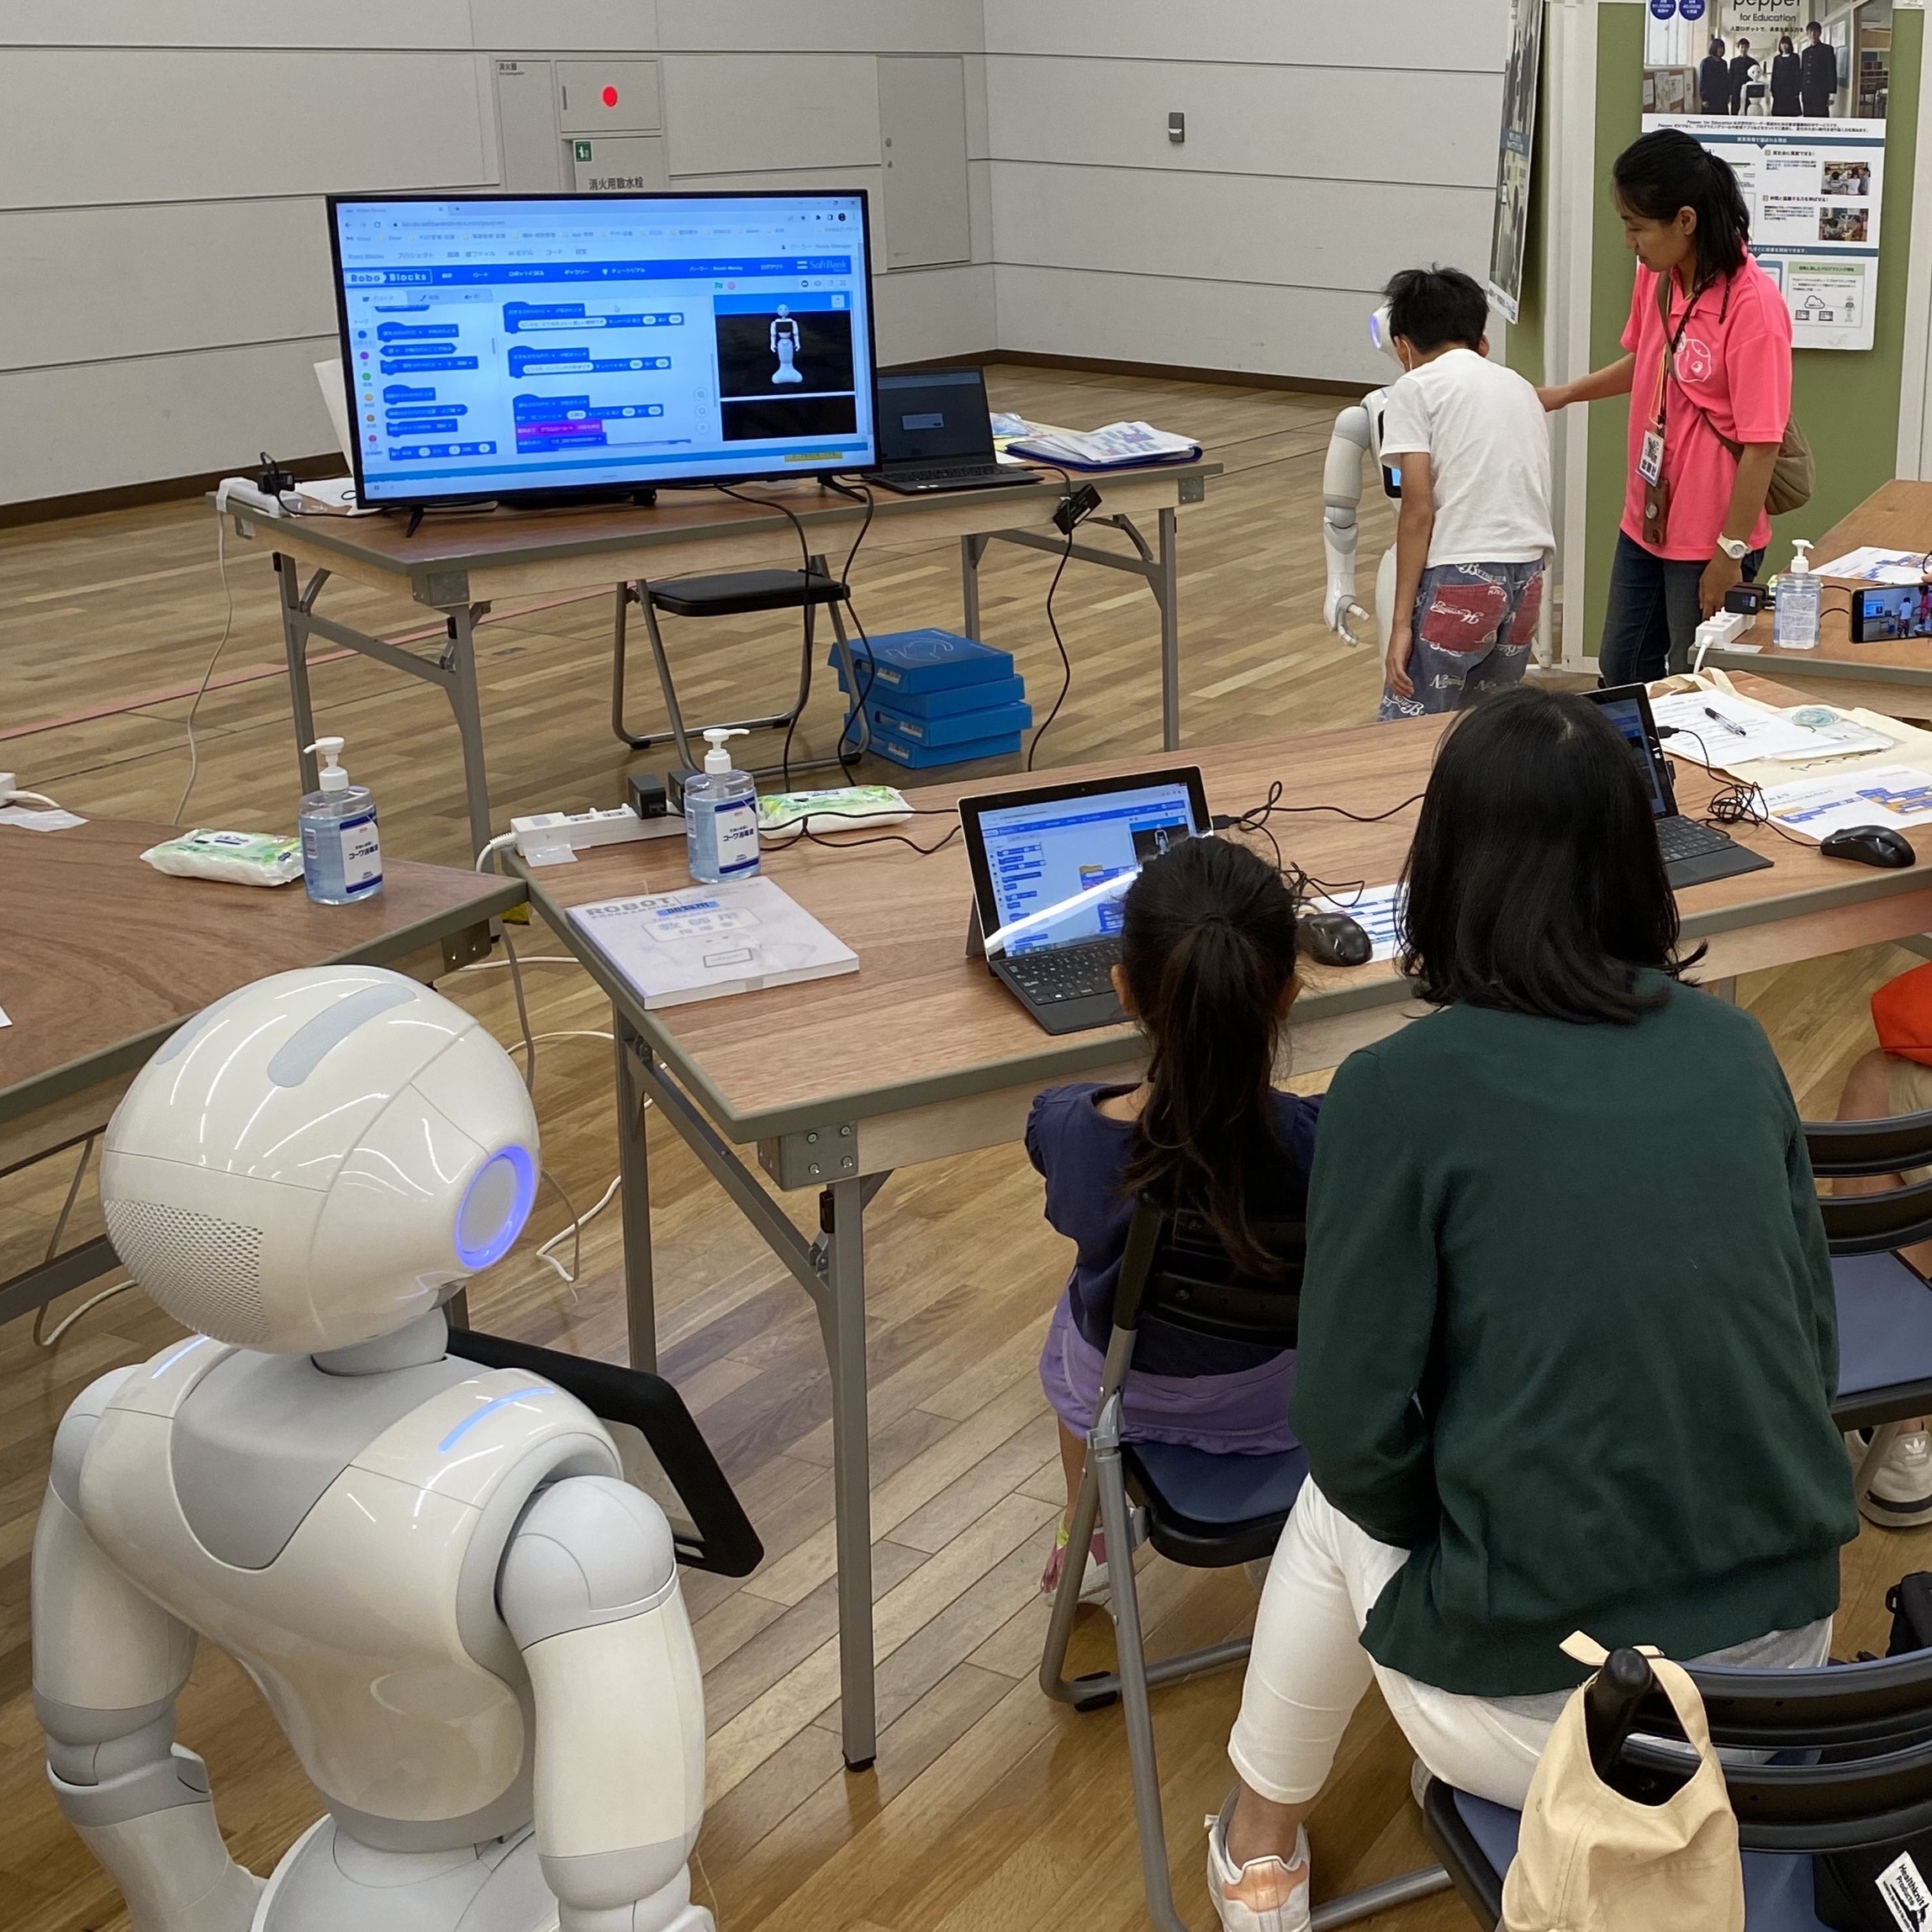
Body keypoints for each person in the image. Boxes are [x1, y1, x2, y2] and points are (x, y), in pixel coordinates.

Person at [1204, 688, 1856, 1932]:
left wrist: (1454, 1523)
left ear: (1446, 868)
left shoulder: (1395, 1090)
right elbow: (1808, 1345)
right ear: (1638, 860)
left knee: (1329, 1498)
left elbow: (1345, 1427)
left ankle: (1260, 1843)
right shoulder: (1735, 1048)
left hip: (1564, 1728)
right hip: (1788, 1680)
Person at [1030, 835, 1317, 1600]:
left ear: (1124, 989)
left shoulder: (1068, 1126)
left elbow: (1063, 1144)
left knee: (1082, 1303)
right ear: (1287, 995)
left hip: (1123, 1400)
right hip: (1281, 1404)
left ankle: (1085, 1527)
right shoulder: (1322, 1141)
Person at [1539, 129, 1791, 684]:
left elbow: (1762, 444)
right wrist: (1563, 395)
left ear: (1685, 220)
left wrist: (1729, 554)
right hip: (1646, 520)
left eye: (1636, 226)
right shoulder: (1658, 279)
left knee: (1693, 679)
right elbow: (1650, 361)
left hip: (1712, 537)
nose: (1629, 241)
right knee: (1621, 667)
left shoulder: (1753, 307)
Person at [1375, 267, 1553, 721]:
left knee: (1406, 731)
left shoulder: (1414, 388)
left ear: (1402, 346)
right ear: (1481, 340)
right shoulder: (1520, 387)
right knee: (1486, 731)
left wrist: (1400, 624)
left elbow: (1417, 511)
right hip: (1528, 580)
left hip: (1462, 575)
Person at [1802, 19, 1839, 117]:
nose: (1813, 34)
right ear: (1807, 34)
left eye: (1816, 32)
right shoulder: (1805, 52)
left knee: (1821, 119)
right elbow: (1804, 72)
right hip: (1807, 94)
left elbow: (1831, 71)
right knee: (1808, 120)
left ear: (1820, 33)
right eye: (1810, 32)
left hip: (1821, 93)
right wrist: (1802, 90)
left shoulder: (1827, 50)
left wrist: (1832, 94)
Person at [1771, 33, 1803, 116]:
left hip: (1791, 90)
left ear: (1790, 45)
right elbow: (1774, 75)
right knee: (1779, 114)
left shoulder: (1795, 57)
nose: (1784, 46)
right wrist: (1773, 89)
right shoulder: (1777, 59)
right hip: (1779, 90)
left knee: (1791, 114)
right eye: (1782, 44)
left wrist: (1797, 90)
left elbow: (1797, 74)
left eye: (1786, 44)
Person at [1699, 35, 1732, 114]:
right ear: (1714, 48)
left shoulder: (1724, 63)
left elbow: (1726, 80)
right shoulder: (1706, 62)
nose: (1721, 50)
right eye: (1719, 48)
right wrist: (1704, 98)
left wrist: (1728, 95)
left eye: (1722, 48)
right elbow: (1703, 81)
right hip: (1710, 97)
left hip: (1722, 97)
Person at [1729, 37, 1759, 114]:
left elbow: (1757, 75)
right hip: (1736, 90)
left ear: (1748, 48)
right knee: (1735, 110)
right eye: (1742, 47)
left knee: (1748, 110)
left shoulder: (1753, 62)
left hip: (1749, 89)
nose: (1744, 49)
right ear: (1738, 48)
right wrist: (1730, 93)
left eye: (1745, 47)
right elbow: (1730, 77)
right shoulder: (1733, 62)